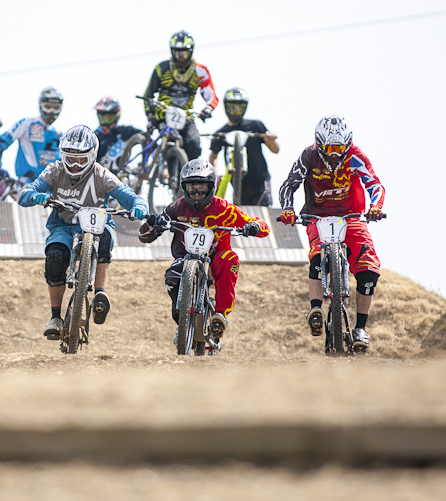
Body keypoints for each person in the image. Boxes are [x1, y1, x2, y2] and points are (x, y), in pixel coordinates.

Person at [18, 125, 148, 339]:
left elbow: (131, 197)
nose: (75, 165)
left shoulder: (102, 174)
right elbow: (25, 193)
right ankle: (55, 317)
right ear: (62, 156)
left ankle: (100, 293)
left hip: (97, 226)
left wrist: (139, 207)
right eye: (70, 159)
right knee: (55, 257)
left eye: (80, 160)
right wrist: (35, 196)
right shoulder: (54, 170)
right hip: (63, 226)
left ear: (92, 156)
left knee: (105, 236)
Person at [277, 115, 385, 349]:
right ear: (319, 144)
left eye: (339, 148)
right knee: (317, 257)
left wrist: (376, 207)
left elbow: (374, 184)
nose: (334, 153)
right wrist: (287, 209)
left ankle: (361, 329)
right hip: (317, 217)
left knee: (368, 270)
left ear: (347, 144)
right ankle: (315, 309)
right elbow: (289, 184)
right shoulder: (309, 156)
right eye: (329, 148)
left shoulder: (356, 156)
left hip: (352, 217)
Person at [138, 159, 269, 344]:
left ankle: (220, 315)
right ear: (184, 188)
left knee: (230, 258)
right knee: (171, 276)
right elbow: (145, 237)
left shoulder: (224, 208)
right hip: (184, 258)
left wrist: (254, 226)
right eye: (192, 189)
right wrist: (152, 223)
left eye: (202, 188)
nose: (197, 194)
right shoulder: (176, 207)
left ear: (211, 187)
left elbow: (262, 226)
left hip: (215, 258)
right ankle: (182, 324)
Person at [142, 30, 218, 161]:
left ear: (191, 51)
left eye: (184, 52)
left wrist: (208, 109)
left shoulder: (200, 71)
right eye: (177, 52)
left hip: (186, 117)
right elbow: (148, 96)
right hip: (164, 116)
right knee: (172, 139)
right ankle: (167, 172)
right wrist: (150, 116)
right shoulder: (161, 68)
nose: (181, 56)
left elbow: (211, 96)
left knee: (194, 146)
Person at [209, 87, 280, 206]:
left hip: (260, 182)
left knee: (263, 215)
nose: (235, 112)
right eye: (232, 108)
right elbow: (213, 157)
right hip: (238, 185)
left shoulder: (256, 125)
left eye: (239, 108)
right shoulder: (221, 133)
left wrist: (270, 138)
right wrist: (215, 174)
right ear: (226, 107)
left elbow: (275, 150)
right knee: (241, 219)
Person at [0, 86, 63, 185]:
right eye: (48, 106)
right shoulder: (26, 124)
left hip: (51, 185)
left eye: (56, 108)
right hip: (27, 184)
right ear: (40, 105)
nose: (51, 111)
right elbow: (1, 142)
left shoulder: (59, 134)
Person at [92, 96, 146, 175]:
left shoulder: (126, 131)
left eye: (108, 117)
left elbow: (148, 141)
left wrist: (162, 166)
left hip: (121, 177)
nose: (105, 121)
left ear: (116, 115)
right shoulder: (94, 137)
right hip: (100, 179)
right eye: (103, 117)